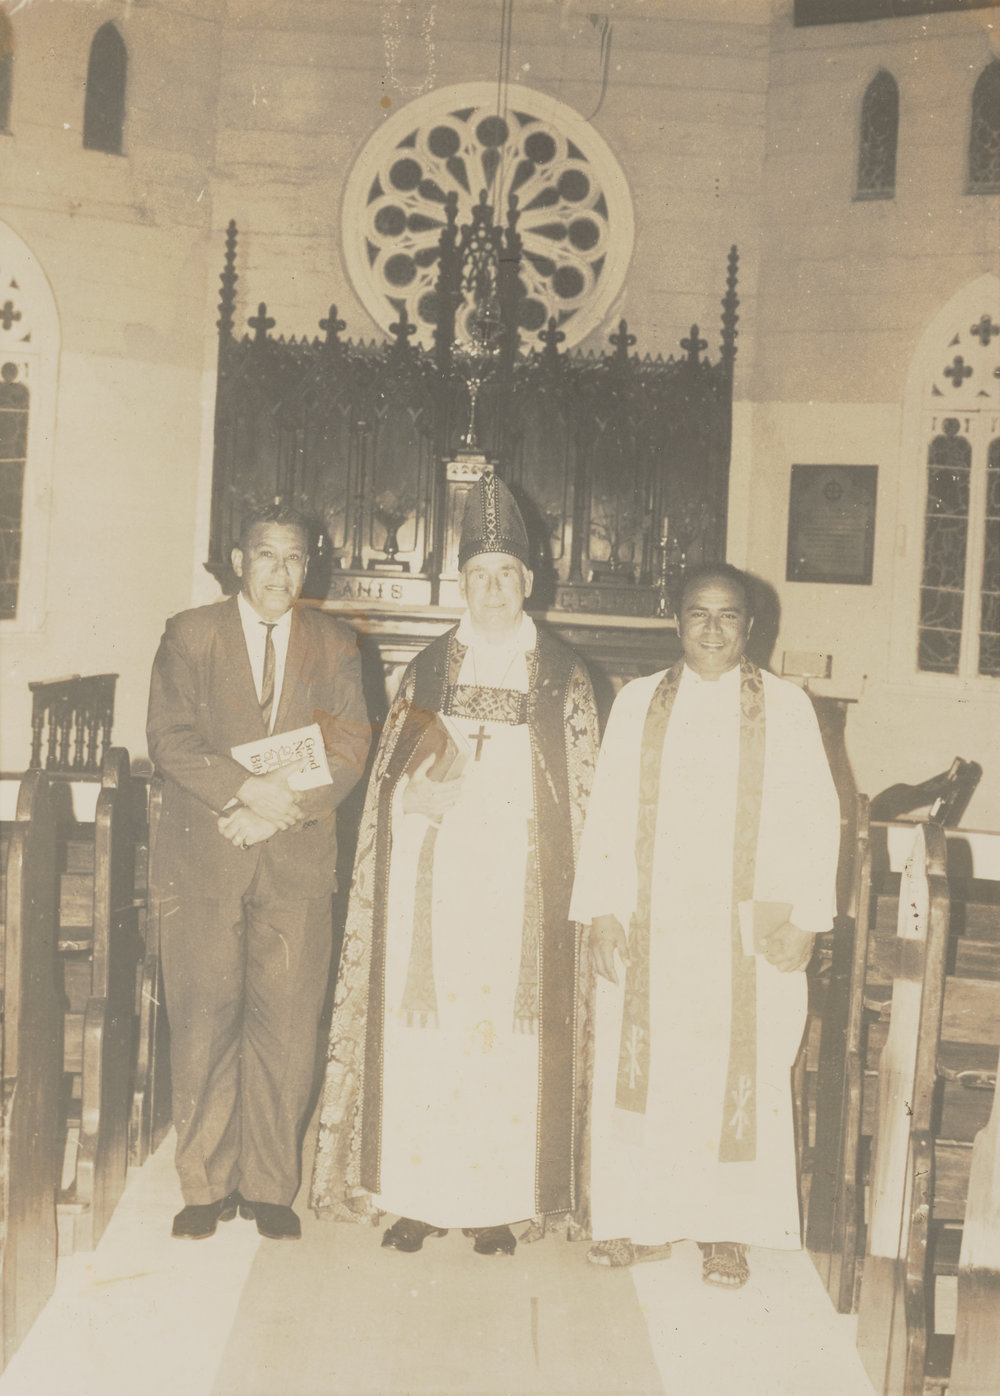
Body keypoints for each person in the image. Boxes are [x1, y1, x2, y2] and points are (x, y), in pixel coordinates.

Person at [310, 469, 599, 1257]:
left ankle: (498, 1202)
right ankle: (414, 1194)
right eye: (479, 575)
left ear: (529, 582)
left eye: (507, 575)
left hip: (521, 895)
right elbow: (385, 788)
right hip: (428, 890)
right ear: (462, 583)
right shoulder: (428, 670)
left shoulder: (565, 675)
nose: (494, 589)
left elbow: (584, 792)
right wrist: (409, 801)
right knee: (422, 1039)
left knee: (504, 1040)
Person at [570, 562, 840, 1288]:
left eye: (728, 617)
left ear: (752, 627)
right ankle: (636, 1218)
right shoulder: (637, 704)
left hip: (746, 931)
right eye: (698, 614)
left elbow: (819, 818)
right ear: (677, 621)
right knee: (646, 1074)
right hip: (651, 922)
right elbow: (606, 813)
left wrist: (811, 921)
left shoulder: (786, 707)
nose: (713, 630)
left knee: (734, 1072)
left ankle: (728, 1230)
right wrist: (600, 908)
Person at [147, 502, 370, 1241]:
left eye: (295, 558)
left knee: (287, 1027)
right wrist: (246, 792)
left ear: (311, 565)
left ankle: (272, 1185)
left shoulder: (337, 644)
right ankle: (204, 1186)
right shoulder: (191, 634)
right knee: (204, 1023)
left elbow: (348, 747)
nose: (281, 572)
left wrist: (278, 811)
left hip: (296, 862)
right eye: (266, 555)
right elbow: (170, 739)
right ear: (238, 560)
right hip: (205, 859)